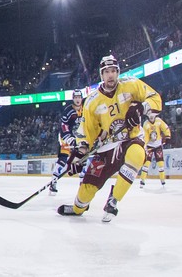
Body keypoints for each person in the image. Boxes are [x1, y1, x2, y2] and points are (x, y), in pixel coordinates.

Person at [58, 55, 162, 222]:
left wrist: (142, 107)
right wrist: (80, 153)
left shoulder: (131, 84)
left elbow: (155, 98)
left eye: (113, 71)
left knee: (137, 155)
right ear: (102, 74)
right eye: (107, 72)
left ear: (118, 72)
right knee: (86, 191)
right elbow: (87, 131)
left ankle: (113, 200)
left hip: (131, 139)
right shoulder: (92, 101)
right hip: (106, 148)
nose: (111, 75)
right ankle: (78, 207)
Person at [50, 89, 83, 194]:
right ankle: (53, 182)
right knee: (63, 160)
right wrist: (70, 139)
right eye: (75, 97)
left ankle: (82, 185)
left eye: (79, 97)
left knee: (83, 160)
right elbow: (64, 128)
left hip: (79, 138)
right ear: (73, 99)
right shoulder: (68, 111)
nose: (77, 99)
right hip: (65, 139)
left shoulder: (86, 109)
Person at [140, 109, 171, 187]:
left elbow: (165, 127)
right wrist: (145, 144)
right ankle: (142, 180)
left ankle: (162, 180)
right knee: (146, 164)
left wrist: (167, 135)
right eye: (149, 116)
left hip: (158, 145)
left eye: (152, 116)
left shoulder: (159, 121)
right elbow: (145, 135)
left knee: (161, 164)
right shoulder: (145, 124)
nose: (151, 117)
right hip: (149, 146)